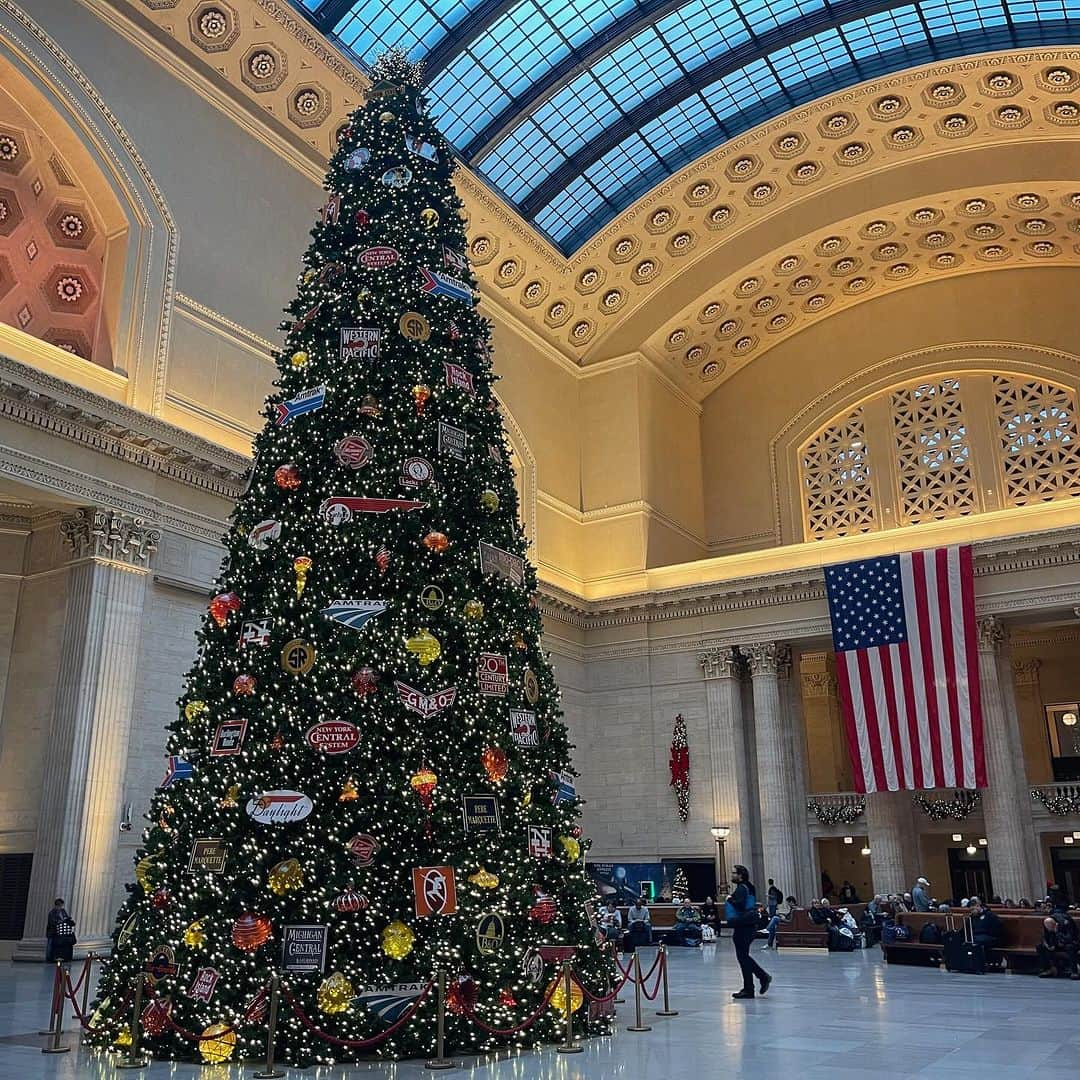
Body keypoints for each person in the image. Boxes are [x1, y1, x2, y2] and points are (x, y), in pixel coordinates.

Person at [727, 865, 770, 999]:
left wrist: (729, 899)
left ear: (741, 875)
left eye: (734, 873)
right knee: (743, 956)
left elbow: (739, 905)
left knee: (743, 957)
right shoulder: (749, 886)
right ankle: (754, 984)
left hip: (743, 926)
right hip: (749, 925)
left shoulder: (741, 888)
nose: (732, 875)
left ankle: (756, 982)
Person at [46, 899, 76, 963]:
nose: (61, 907)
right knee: (50, 945)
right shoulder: (52, 913)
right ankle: (49, 958)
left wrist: (67, 920)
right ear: (56, 906)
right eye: (60, 906)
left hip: (61, 933)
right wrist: (60, 921)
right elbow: (52, 922)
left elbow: (66, 918)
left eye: (61, 906)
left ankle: (64, 957)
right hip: (53, 932)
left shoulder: (63, 911)